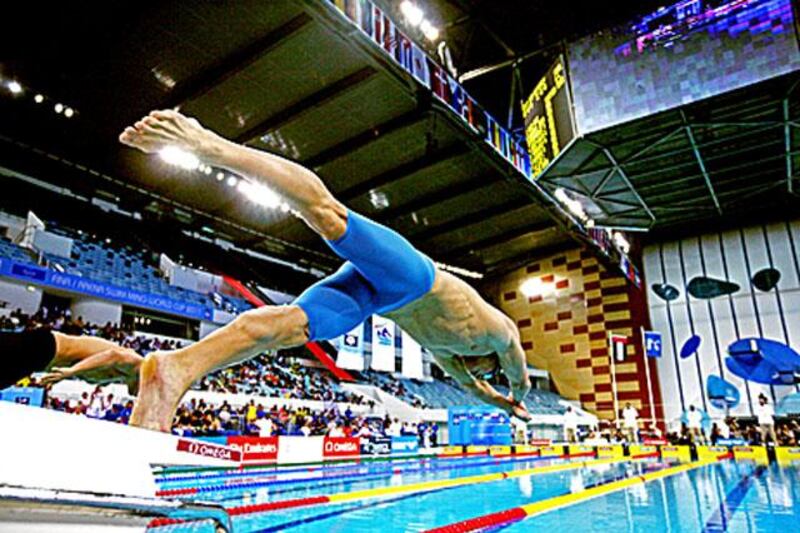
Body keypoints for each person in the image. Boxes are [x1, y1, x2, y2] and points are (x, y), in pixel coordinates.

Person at [119, 110, 533, 432]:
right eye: (485, 367)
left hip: (374, 300)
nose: (478, 370)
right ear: (490, 358)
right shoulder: (497, 332)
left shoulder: (450, 357)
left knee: (290, 328)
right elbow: (518, 368)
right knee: (329, 216)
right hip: (413, 277)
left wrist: (506, 406)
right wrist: (519, 392)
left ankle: (177, 368)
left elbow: (474, 390)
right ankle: (210, 144)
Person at [0, 329, 142, 393]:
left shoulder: (123, 375)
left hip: (41, 359)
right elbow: (113, 355)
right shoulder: (139, 363)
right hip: (45, 347)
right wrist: (71, 372)